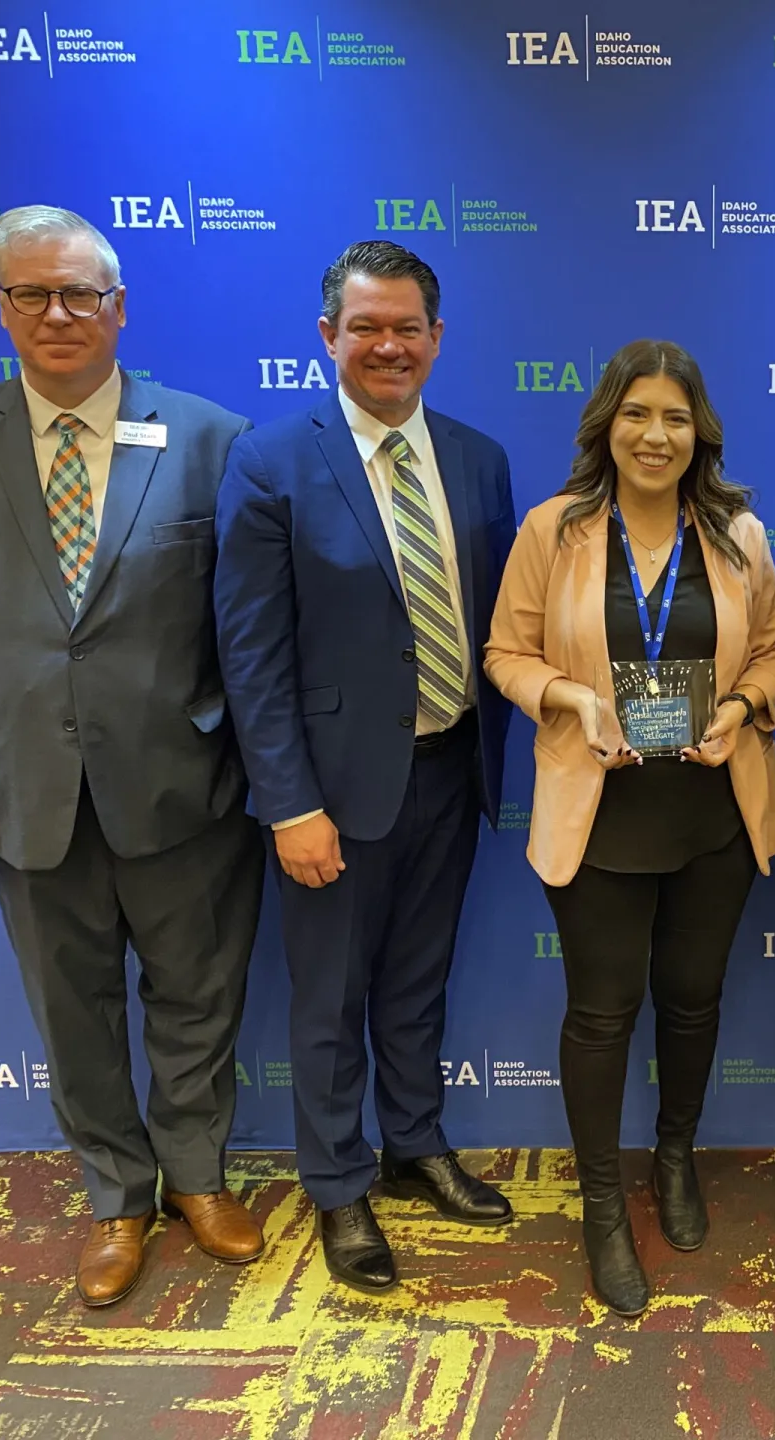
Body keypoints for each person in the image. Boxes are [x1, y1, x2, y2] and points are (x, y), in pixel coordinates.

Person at [0, 205, 265, 1307]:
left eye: (81, 294)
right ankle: (117, 1194)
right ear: (0, 302)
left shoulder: (212, 439)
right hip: (25, 792)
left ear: (120, 307)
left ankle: (199, 1176)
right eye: (31, 293)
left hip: (183, 787)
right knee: (72, 1006)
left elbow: (243, 633)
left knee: (199, 996)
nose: (58, 314)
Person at [214, 241, 517, 1292]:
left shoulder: (478, 459)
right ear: (328, 336)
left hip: (451, 771)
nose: (388, 347)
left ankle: (415, 1147)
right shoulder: (270, 459)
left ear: (438, 337)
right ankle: (338, 1188)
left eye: (407, 328)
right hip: (331, 795)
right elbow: (250, 655)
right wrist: (288, 804)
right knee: (330, 999)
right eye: (366, 328)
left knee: (417, 985)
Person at [485, 339, 775, 1316]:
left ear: (697, 429)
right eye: (636, 414)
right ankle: (599, 1209)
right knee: (602, 1014)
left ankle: (674, 1159)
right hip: (598, 816)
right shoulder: (556, 528)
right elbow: (504, 653)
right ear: (606, 426)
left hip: (712, 812)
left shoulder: (738, 534)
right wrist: (572, 698)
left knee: (694, 1001)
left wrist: (742, 709)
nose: (654, 434)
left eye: (673, 416)